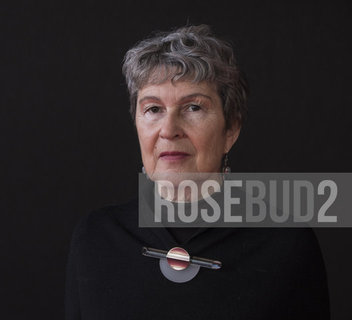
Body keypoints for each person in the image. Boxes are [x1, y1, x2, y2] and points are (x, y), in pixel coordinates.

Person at [65, 25, 329, 319]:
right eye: (153, 109)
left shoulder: (286, 245)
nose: (169, 130)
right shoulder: (96, 239)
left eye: (193, 107)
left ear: (231, 129)